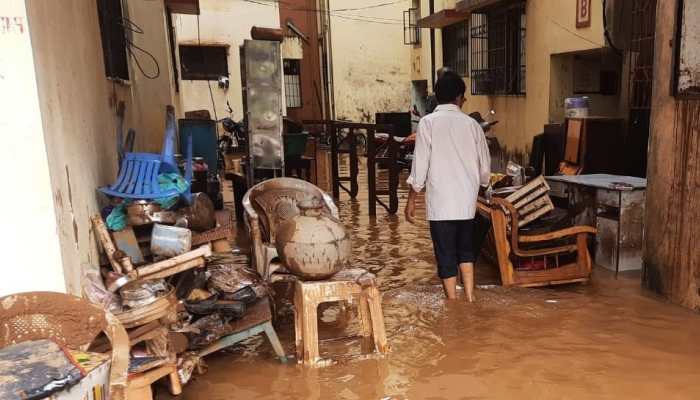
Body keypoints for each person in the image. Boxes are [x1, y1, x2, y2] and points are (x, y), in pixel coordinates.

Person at [404, 71, 491, 302]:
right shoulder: (473, 125)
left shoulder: (427, 123)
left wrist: (411, 199)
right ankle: (470, 297)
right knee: (466, 249)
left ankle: (453, 304)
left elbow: (420, 165)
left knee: (445, 253)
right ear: (459, 97)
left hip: (441, 203)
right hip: (466, 201)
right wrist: (482, 185)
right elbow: (485, 169)